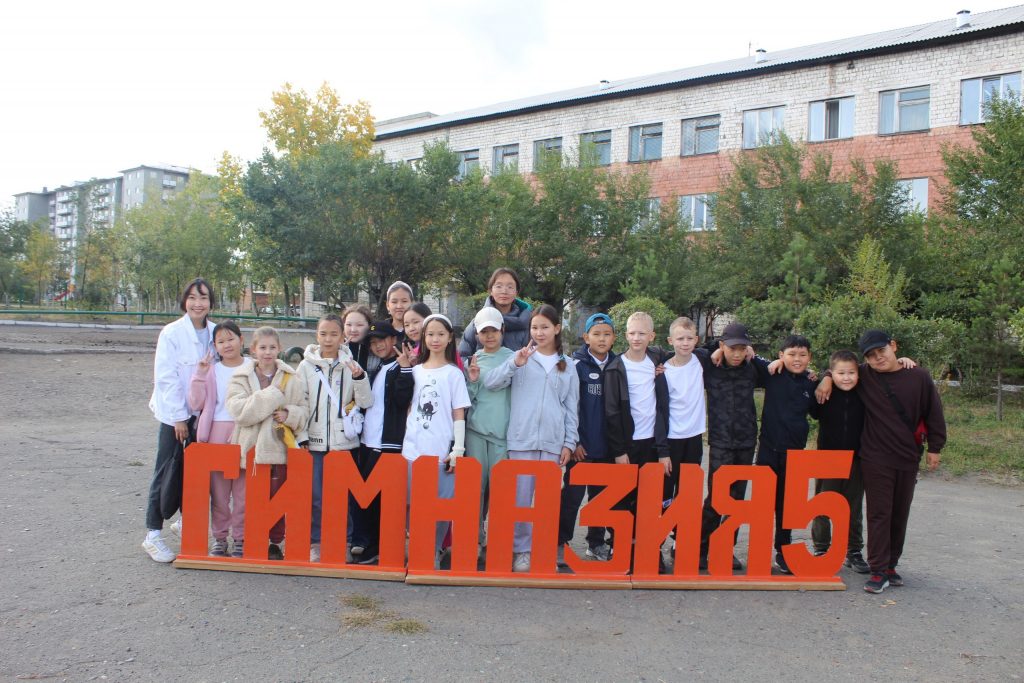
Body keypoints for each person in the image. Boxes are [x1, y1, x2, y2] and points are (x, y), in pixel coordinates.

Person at [817, 330, 946, 594]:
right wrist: (827, 377)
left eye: (882, 351)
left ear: (893, 346)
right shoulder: (866, 375)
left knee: (900, 513)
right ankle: (878, 570)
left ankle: (891, 566)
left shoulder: (918, 376)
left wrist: (935, 447)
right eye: (871, 356)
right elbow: (843, 369)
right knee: (879, 513)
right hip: (875, 457)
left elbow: (933, 411)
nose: (878, 358)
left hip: (908, 456)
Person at [487, 304, 579, 572]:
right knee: (521, 501)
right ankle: (522, 551)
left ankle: (544, 549)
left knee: (547, 503)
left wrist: (569, 442)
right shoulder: (521, 358)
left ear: (557, 329)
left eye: (545, 327)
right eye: (535, 327)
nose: (539, 332)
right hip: (522, 441)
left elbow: (571, 408)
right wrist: (515, 364)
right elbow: (491, 382)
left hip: (553, 444)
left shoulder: (568, 366)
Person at [143, 277, 217, 563]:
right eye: (193, 298)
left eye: (204, 298)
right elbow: (166, 378)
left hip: (203, 416)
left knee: (197, 474)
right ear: (184, 301)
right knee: (166, 472)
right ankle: (152, 535)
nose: (198, 303)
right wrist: (178, 418)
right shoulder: (172, 333)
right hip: (175, 417)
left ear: (211, 303)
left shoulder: (215, 333)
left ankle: (187, 523)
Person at [226, 326, 309, 560]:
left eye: (272, 347)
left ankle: (274, 542)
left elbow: (304, 409)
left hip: (278, 449)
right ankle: (243, 538)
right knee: (246, 498)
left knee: (278, 497)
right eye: (262, 347)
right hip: (249, 449)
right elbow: (239, 412)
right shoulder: (241, 377)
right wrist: (272, 395)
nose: (268, 352)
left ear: (279, 349)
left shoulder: (292, 378)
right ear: (253, 349)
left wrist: (289, 414)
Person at [295, 314, 372, 563]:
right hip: (315, 441)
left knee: (343, 497)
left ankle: (344, 542)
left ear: (342, 337)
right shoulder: (305, 366)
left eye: (334, 334)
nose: (328, 339)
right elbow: (300, 402)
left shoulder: (351, 364)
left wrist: (360, 378)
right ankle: (317, 543)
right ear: (316, 335)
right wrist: (302, 435)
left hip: (344, 443)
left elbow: (365, 402)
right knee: (317, 496)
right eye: (323, 334)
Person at [401, 314, 471, 568]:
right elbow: (409, 408)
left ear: (450, 337)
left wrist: (458, 449)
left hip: (441, 451)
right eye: (430, 334)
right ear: (423, 337)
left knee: (440, 505)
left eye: (441, 334)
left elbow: (459, 413)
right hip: (412, 449)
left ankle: (433, 550)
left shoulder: (454, 374)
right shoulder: (415, 371)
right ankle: (416, 547)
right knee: (411, 503)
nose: (435, 339)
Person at [694, 322, 764, 571]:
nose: (737, 354)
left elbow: (783, 367)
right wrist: (715, 347)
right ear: (723, 345)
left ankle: (725, 549)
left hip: (746, 442)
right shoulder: (709, 366)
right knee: (716, 498)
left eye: (742, 348)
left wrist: (825, 376)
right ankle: (700, 548)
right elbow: (688, 349)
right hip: (721, 442)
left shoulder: (753, 367)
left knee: (737, 501)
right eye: (732, 348)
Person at [603, 311, 670, 567]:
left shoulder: (658, 359)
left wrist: (719, 349)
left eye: (642, 333)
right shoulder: (615, 367)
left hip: (651, 442)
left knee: (650, 501)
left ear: (652, 336)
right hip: (626, 445)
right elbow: (611, 413)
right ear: (625, 335)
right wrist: (619, 450)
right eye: (632, 333)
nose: (637, 338)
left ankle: (651, 549)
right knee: (621, 499)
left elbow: (689, 350)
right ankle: (618, 547)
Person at [748, 334, 818, 574]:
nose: (797, 359)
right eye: (791, 354)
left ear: (809, 357)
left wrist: (827, 377)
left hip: (795, 455)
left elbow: (819, 409)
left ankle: (783, 551)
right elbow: (748, 351)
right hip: (768, 451)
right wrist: (772, 362)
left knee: (787, 507)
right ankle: (758, 553)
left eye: (802, 355)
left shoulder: (811, 382)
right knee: (763, 505)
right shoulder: (772, 372)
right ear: (781, 355)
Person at [187, 320, 251, 558]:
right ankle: (220, 538)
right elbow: (196, 403)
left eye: (231, 339)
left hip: (245, 432)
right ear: (214, 346)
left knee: (244, 493)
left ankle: (241, 538)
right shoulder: (212, 370)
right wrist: (199, 375)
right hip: (216, 433)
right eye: (221, 341)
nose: (227, 345)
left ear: (241, 340)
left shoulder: (253, 366)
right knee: (220, 495)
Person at [558, 312, 617, 565]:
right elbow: (570, 407)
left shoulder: (618, 365)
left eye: (607, 334)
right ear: (586, 337)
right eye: (596, 334)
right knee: (571, 498)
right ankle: (560, 542)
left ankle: (596, 543)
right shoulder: (576, 366)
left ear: (614, 338)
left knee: (600, 500)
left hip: (607, 448)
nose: (602, 339)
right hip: (581, 448)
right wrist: (575, 442)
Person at [353, 321, 414, 564]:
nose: (378, 345)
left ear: (394, 340)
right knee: (368, 497)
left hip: (387, 444)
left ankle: (380, 547)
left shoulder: (401, 366)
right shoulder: (378, 367)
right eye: (373, 342)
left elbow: (402, 400)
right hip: (368, 442)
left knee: (381, 500)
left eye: (382, 340)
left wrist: (406, 369)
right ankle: (371, 544)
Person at [810, 350, 869, 574]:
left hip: (856, 459)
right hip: (827, 458)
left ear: (858, 373)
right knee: (822, 504)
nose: (846, 378)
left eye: (851, 373)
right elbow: (813, 411)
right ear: (831, 373)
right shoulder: (823, 392)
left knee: (853, 507)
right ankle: (821, 548)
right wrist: (824, 379)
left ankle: (853, 551)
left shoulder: (865, 392)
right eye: (840, 373)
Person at [464, 306, 514, 558]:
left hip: (502, 435)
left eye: (494, 330)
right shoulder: (473, 360)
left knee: (500, 491)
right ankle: (474, 537)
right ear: (477, 334)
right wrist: (473, 381)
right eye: (484, 332)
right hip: (475, 432)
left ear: (502, 330)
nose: (490, 335)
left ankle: (498, 538)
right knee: (475, 489)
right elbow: (467, 398)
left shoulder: (514, 358)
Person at [459, 267, 532, 358]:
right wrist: (471, 366)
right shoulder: (478, 322)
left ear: (516, 292)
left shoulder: (528, 323)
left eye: (510, 287)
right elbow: (463, 356)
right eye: (499, 286)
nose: (504, 291)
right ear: (491, 291)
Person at [342, 304, 374, 372]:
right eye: (349, 324)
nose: (353, 330)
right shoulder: (335, 349)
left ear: (369, 326)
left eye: (359, 325)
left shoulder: (376, 350)